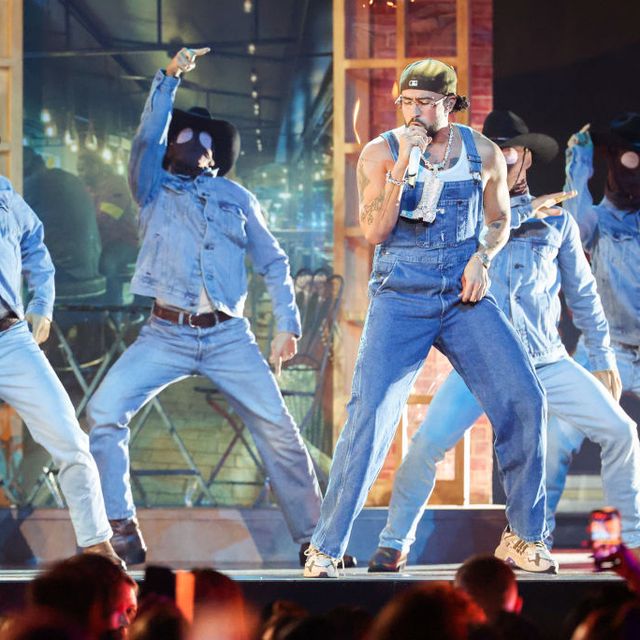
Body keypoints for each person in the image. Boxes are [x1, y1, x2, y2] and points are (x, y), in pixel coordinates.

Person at [303, 62, 556, 578]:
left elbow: (500, 218)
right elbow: (375, 231)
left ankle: (524, 537)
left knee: (524, 398)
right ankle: (325, 548)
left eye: (425, 102)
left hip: (463, 294)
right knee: (370, 415)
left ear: (450, 103)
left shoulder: (482, 152)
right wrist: (406, 162)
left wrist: (482, 257)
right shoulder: (381, 152)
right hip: (401, 294)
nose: (414, 111)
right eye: (407, 102)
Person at [86, 46, 333, 568]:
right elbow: (145, 140)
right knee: (104, 411)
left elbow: (273, 261)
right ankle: (119, 527)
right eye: (182, 137)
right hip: (164, 333)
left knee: (280, 431)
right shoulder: (151, 188)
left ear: (216, 156)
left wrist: (286, 324)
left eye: (202, 141)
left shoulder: (236, 198)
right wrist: (170, 77)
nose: (191, 145)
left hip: (228, 336)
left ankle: (317, 540)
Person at [367, 111, 640, 573]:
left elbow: (585, 297)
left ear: (526, 157)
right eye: (489, 151)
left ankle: (629, 542)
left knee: (621, 433)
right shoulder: (464, 218)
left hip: (547, 362)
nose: (499, 159)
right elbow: (475, 239)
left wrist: (604, 359)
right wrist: (525, 211)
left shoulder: (557, 224)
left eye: (508, 151)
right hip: (481, 363)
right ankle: (394, 542)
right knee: (425, 446)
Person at [0, 168, 120, 564]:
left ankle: (97, 546)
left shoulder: (4, 194)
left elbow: (35, 244)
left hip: (10, 337)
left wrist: (42, 303)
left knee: (70, 438)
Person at [549, 113, 640, 510]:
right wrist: (578, 159)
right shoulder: (598, 219)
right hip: (607, 349)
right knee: (555, 437)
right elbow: (572, 226)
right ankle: (534, 532)